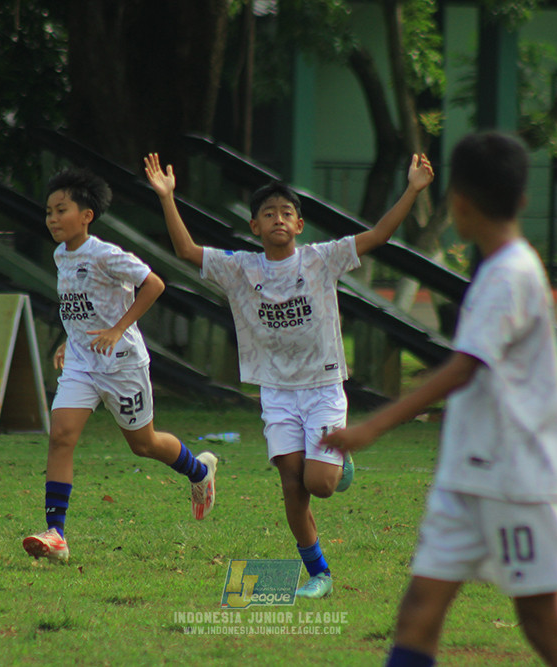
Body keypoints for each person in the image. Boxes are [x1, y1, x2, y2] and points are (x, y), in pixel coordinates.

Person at [320, 132, 557, 666]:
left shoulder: (511, 274)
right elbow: (551, 379)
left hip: (517, 481)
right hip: (467, 478)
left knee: (543, 622)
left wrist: (372, 427)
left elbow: (464, 367)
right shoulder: (503, 269)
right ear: (522, 199)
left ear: (457, 202)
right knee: (417, 614)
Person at [144, 151, 434, 598]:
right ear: (254, 226)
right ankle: (320, 574)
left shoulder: (321, 259)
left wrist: (412, 189)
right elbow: (185, 251)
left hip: (322, 388)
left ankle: (338, 464)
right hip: (276, 393)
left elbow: (379, 235)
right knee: (292, 486)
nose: (278, 219)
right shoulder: (241, 268)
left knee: (320, 485)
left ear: (299, 225)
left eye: (286, 213)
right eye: (268, 213)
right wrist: (167, 197)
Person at [22, 167, 218, 564]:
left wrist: (117, 329)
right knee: (61, 436)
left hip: (122, 364)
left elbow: (154, 284)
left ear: (86, 216)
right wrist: (69, 340)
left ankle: (199, 472)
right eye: (48, 212)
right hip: (82, 362)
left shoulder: (106, 254)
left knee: (144, 444)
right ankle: (56, 534)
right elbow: (80, 304)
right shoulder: (61, 255)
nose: (52, 219)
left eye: (61, 210)